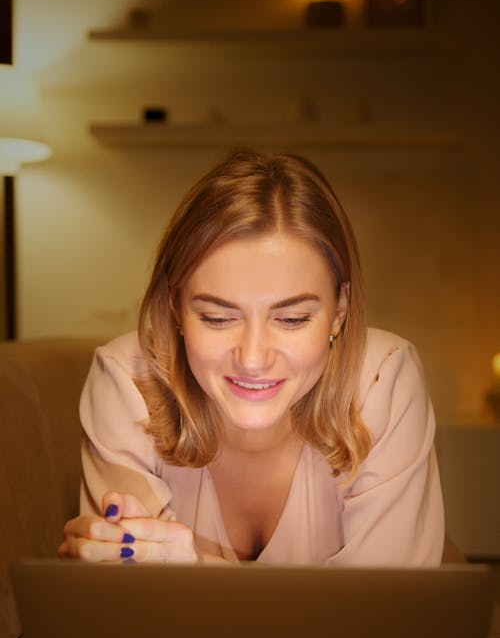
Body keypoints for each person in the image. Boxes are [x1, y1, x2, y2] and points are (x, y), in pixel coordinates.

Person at [59, 149, 444, 566]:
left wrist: (196, 570)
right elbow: (130, 608)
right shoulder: (125, 378)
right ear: (176, 308)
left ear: (339, 311)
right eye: (217, 317)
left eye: (292, 319)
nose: (253, 358)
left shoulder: (383, 378)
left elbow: (385, 615)